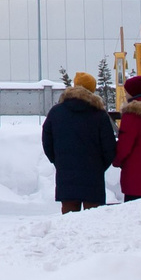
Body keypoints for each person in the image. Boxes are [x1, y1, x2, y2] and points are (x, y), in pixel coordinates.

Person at [42, 71, 115, 213]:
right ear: (92, 89)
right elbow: (109, 148)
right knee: (93, 219)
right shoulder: (99, 115)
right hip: (93, 177)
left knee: (69, 219)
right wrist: (99, 166)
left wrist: (59, 162)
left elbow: (47, 142)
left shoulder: (56, 112)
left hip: (66, 175)